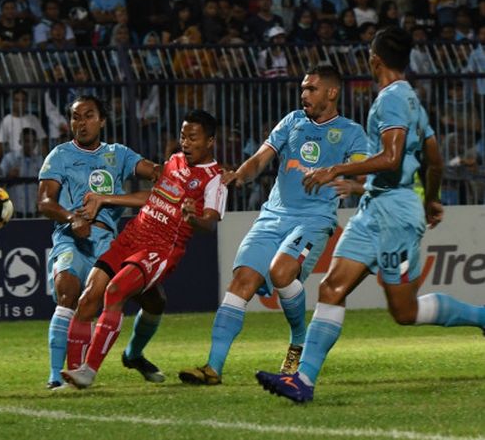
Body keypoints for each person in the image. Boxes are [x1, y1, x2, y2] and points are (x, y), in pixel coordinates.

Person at [256, 26, 485, 403]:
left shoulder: (392, 100)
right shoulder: (411, 98)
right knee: (332, 288)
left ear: (374, 58)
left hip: (394, 214)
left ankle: (479, 316)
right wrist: (430, 199)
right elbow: (435, 158)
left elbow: (393, 158)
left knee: (404, 311)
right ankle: (303, 381)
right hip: (375, 208)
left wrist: (336, 169)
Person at [177, 65, 368, 386]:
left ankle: (298, 340)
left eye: (311, 89)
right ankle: (212, 368)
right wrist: (240, 173)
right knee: (242, 281)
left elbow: (365, 178)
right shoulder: (292, 121)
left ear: (332, 93)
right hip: (272, 216)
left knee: (281, 273)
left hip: (314, 219)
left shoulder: (351, 132)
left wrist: (340, 175)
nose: (304, 94)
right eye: (303, 88)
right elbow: (261, 159)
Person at [60, 109, 228, 389]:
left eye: (193, 138)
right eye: (183, 136)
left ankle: (89, 371)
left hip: (161, 248)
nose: (185, 143)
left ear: (210, 141)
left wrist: (193, 217)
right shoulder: (174, 161)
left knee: (115, 291)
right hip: (133, 235)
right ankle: (73, 373)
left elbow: (210, 223)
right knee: (89, 296)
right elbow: (153, 197)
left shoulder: (215, 179)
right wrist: (104, 199)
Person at [37, 95, 159, 389]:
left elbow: (156, 173)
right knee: (68, 291)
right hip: (71, 237)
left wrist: (178, 170)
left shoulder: (118, 154)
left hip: (109, 241)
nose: (81, 123)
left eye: (89, 115)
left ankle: (133, 354)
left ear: (102, 120)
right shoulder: (60, 155)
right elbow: (44, 202)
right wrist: (72, 219)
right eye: (76, 117)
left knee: (155, 299)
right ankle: (56, 376)